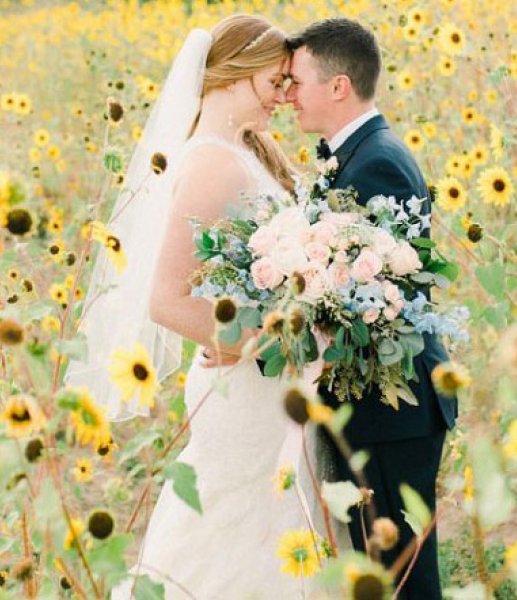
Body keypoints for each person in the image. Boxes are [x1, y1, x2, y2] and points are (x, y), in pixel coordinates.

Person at [66, 14, 348, 599]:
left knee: (278, 531)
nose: (283, 96)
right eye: (274, 82)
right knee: (227, 531)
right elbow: (167, 300)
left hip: (270, 384)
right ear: (233, 74)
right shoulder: (210, 160)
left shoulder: (246, 151)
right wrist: (266, 343)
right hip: (246, 386)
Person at [285, 18, 458, 599]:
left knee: (403, 576)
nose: (288, 95)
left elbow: (389, 298)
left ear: (338, 86)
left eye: (297, 81)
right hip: (381, 404)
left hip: (392, 405)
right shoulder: (356, 153)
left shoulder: (375, 162)